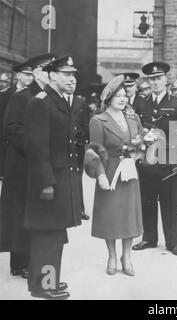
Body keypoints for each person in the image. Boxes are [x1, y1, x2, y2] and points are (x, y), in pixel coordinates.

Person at [24, 55, 83, 300]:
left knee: (55, 234)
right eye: (66, 74)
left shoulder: (59, 101)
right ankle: (42, 286)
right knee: (46, 236)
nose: (72, 79)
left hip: (60, 180)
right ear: (52, 76)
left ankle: (51, 281)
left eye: (73, 75)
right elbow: (37, 148)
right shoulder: (42, 102)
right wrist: (46, 182)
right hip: (49, 182)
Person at [0, 54, 55, 280]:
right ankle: (19, 262)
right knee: (20, 212)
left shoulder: (51, 97)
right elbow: (12, 129)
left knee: (37, 213)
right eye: (46, 70)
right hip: (22, 165)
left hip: (42, 164)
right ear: (37, 73)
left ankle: (33, 259)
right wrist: (37, 144)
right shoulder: (22, 97)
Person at [87, 75, 143, 276]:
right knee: (110, 216)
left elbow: (141, 141)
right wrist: (100, 176)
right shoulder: (98, 120)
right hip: (109, 172)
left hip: (128, 174)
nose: (123, 99)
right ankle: (111, 255)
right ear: (108, 98)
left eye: (125, 95)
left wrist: (136, 155)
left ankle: (126, 257)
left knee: (129, 216)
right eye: (118, 96)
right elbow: (94, 151)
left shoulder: (133, 118)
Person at [133, 62, 177, 256]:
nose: (155, 82)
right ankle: (149, 238)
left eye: (159, 78)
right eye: (152, 79)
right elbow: (135, 131)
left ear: (166, 80)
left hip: (168, 162)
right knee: (147, 201)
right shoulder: (140, 103)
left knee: (169, 202)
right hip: (147, 163)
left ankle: (173, 243)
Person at [0, 60, 34, 179]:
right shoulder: (5, 95)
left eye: (32, 75)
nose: (30, 78)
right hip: (6, 143)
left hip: (21, 146)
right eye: (27, 75)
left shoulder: (33, 95)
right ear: (18, 75)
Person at [64, 78, 90, 221]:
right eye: (68, 83)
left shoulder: (80, 102)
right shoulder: (59, 99)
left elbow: (85, 124)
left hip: (77, 146)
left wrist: (81, 138)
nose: (71, 86)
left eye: (73, 83)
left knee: (77, 177)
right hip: (64, 145)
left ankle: (80, 209)